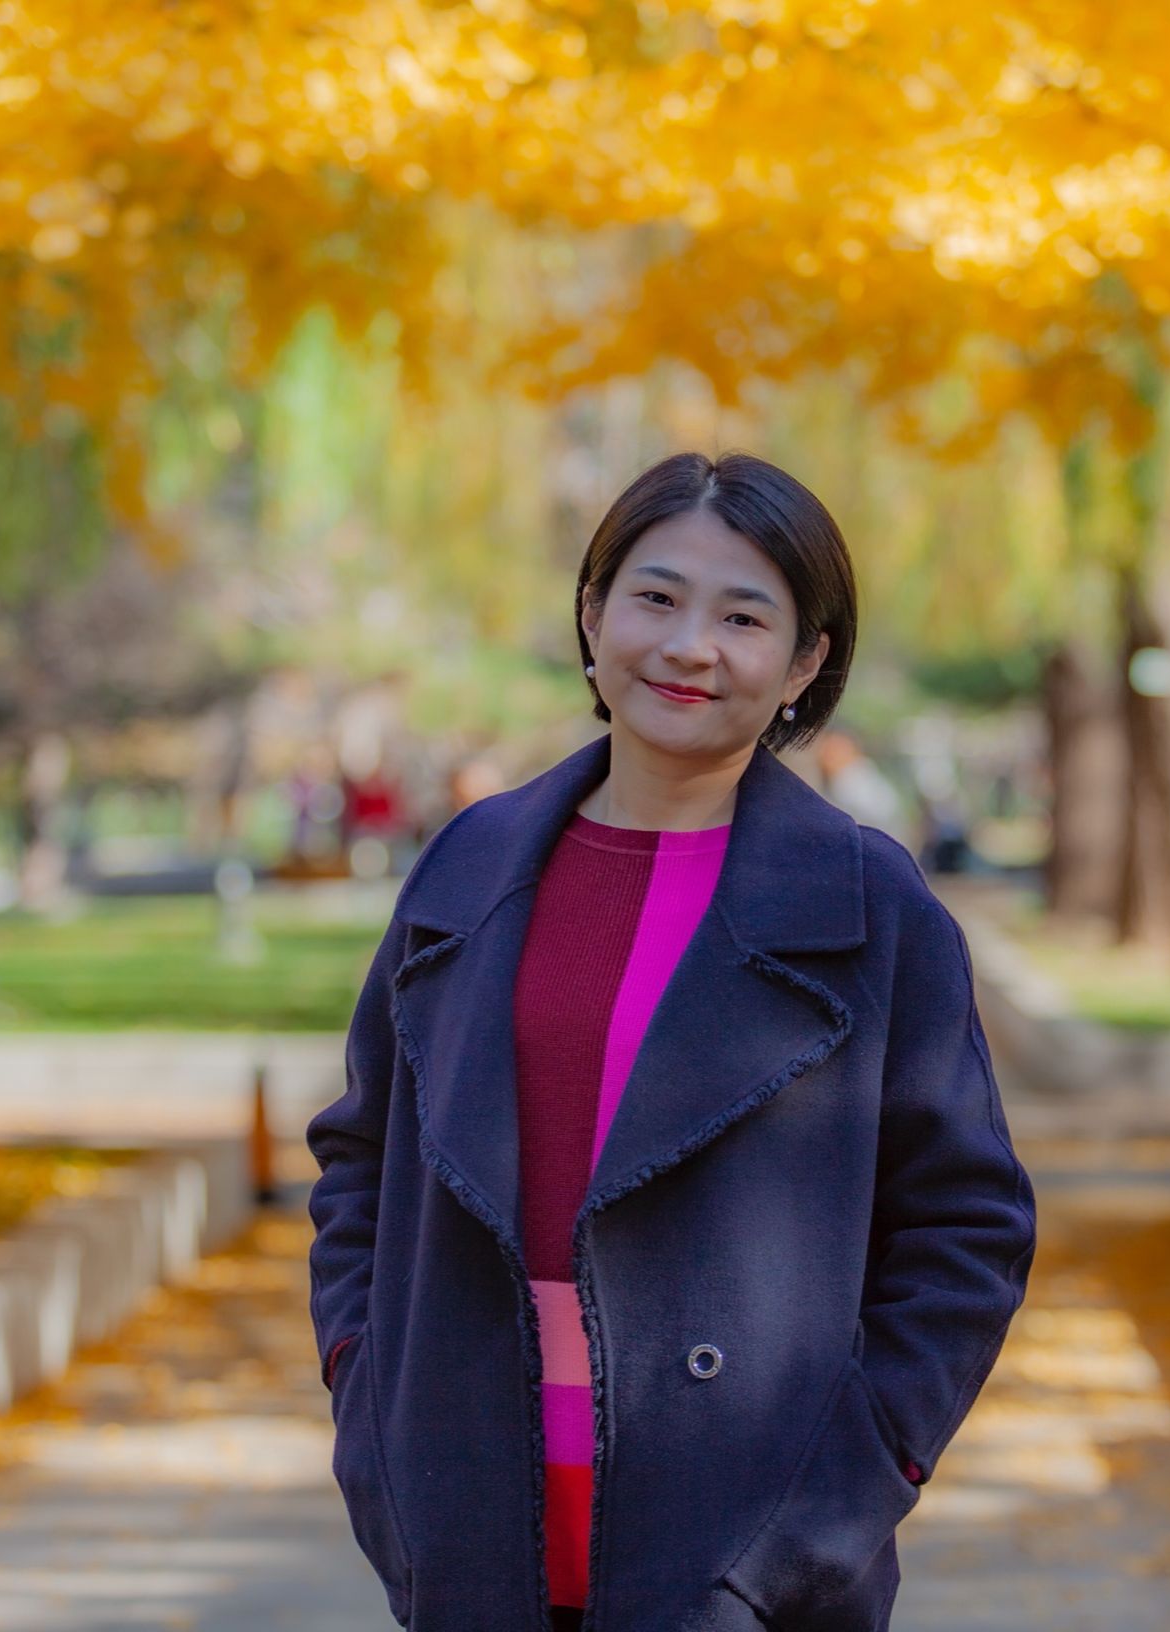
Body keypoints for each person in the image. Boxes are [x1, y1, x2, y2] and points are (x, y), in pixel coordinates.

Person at [305, 449, 1037, 1632]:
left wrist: (838, 1500)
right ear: (593, 616)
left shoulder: (872, 908)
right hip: (465, 1513)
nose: (690, 647)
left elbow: (967, 1231)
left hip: (756, 1541)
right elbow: (361, 1156)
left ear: (804, 663)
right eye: (656, 598)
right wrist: (367, 1402)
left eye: (744, 617)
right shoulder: (467, 867)